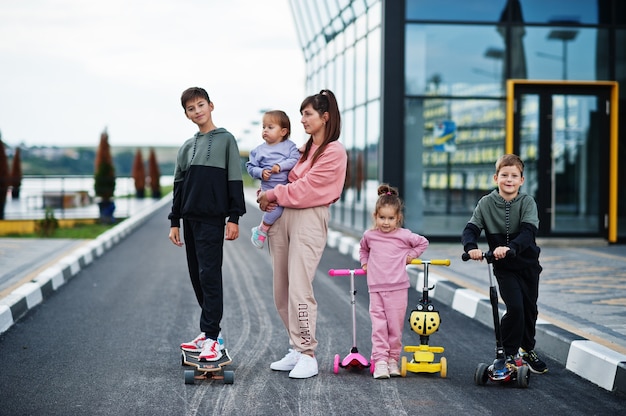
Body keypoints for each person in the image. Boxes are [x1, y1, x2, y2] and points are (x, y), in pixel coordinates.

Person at [257, 89, 347, 379]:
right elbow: (283, 177)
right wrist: (266, 193)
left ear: (325, 117)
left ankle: (307, 353)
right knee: (281, 290)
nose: (303, 119)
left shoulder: (334, 151)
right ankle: (295, 348)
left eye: (308, 114)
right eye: (302, 114)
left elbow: (308, 189)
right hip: (283, 217)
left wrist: (274, 194)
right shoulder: (301, 149)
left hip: (309, 218)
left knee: (299, 287)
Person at [168, 87, 246, 362]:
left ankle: (212, 337)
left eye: (201, 105)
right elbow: (178, 187)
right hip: (189, 219)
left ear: (211, 106)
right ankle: (208, 332)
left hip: (213, 220)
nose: (197, 110)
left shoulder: (226, 140)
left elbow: (234, 179)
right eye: (191, 108)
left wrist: (234, 217)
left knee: (210, 275)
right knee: (197, 275)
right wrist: (174, 221)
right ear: (187, 115)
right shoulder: (186, 147)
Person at [461, 153, 548, 374]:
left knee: (530, 310)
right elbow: (471, 229)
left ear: (522, 180)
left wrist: (511, 248)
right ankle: (508, 353)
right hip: (505, 270)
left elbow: (529, 232)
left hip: (528, 266)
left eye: (514, 176)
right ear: (495, 178)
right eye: (504, 175)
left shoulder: (527, 202)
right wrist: (470, 247)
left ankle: (527, 349)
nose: (509, 180)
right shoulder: (486, 203)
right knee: (515, 308)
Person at [359, 184, 429, 379]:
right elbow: (363, 250)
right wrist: (364, 263)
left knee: (395, 328)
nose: (386, 223)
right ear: (375, 216)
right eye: (382, 218)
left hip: (398, 288)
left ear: (398, 218)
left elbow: (423, 242)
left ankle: (392, 360)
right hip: (376, 288)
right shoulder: (369, 236)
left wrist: (411, 255)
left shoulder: (404, 235)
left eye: (391, 218)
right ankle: (380, 361)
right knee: (379, 326)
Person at [246, 110, 301, 249]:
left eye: (270, 127)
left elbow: (295, 159)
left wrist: (280, 166)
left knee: (282, 208)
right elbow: (250, 167)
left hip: (284, 187)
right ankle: (262, 229)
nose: (265, 130)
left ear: (283, 132)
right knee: (276, 209)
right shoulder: (258, 151)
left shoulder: (290, 147)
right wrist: (260, 172)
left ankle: (262, 229)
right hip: (268, 188)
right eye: (263, 127)